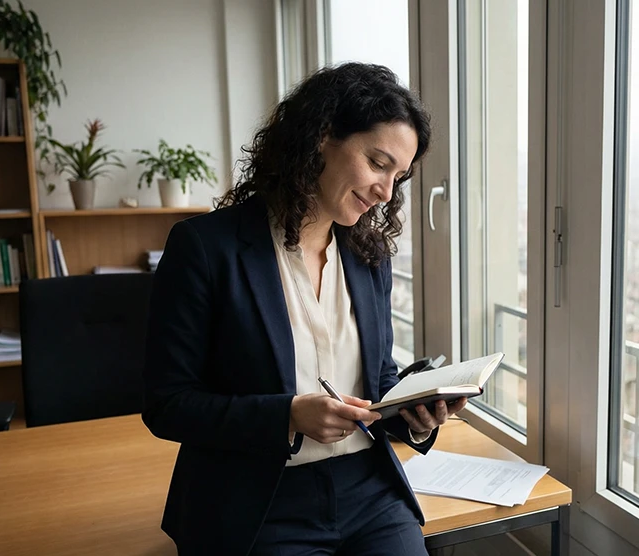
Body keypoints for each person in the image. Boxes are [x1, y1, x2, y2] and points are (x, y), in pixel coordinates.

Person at [141, 62, 466, 556]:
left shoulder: (368, 258)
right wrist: (287, 416)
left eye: (398, 176)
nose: (386, 191)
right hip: (261, 499)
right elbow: (166, 404)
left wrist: (415, 416)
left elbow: (376, 386)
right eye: (378, 163)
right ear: (322, 137)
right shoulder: (206, 248)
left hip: (368, 491)